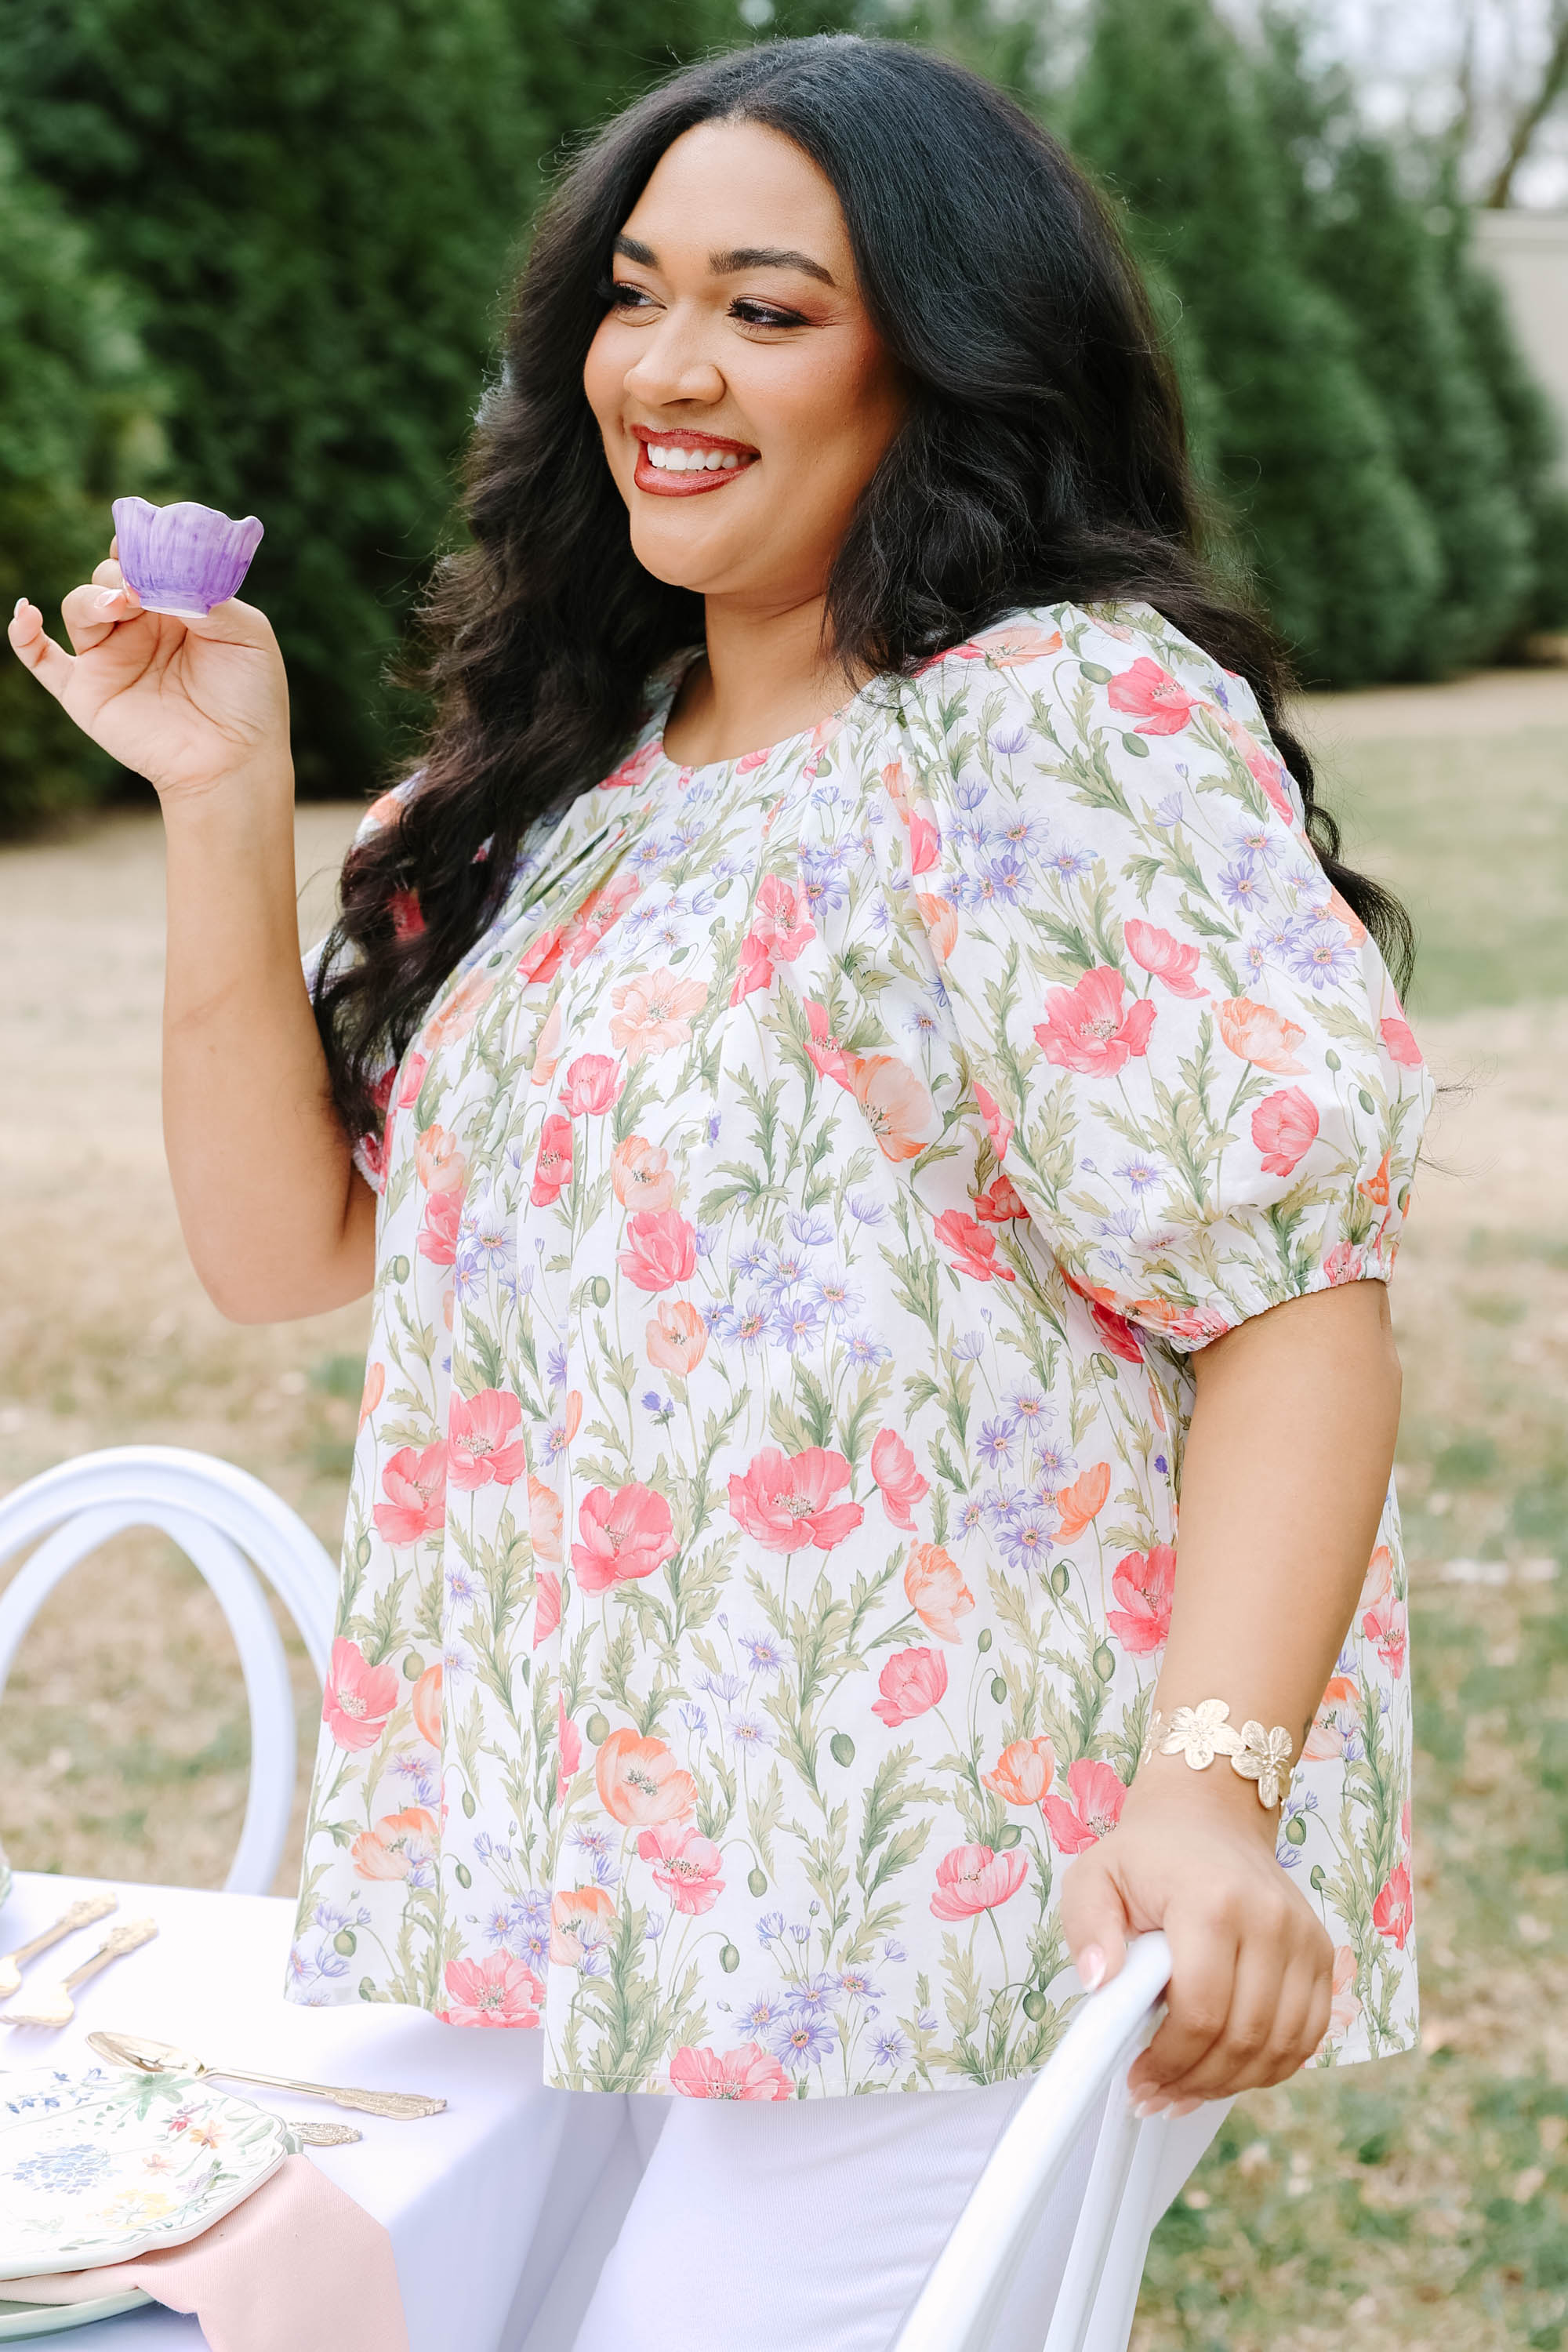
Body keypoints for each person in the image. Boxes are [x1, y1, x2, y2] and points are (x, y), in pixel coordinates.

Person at [8, 34, 1430, 2352]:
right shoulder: (546, 780)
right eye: (636, 294)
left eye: (769, 310)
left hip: (960, 1876)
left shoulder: (1057, 724)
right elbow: (283, 1254)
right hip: (571, 1871)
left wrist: (1211, 1801)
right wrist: (216, 799)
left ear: (943, 364)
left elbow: (1290, 1302)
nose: (667, 367)